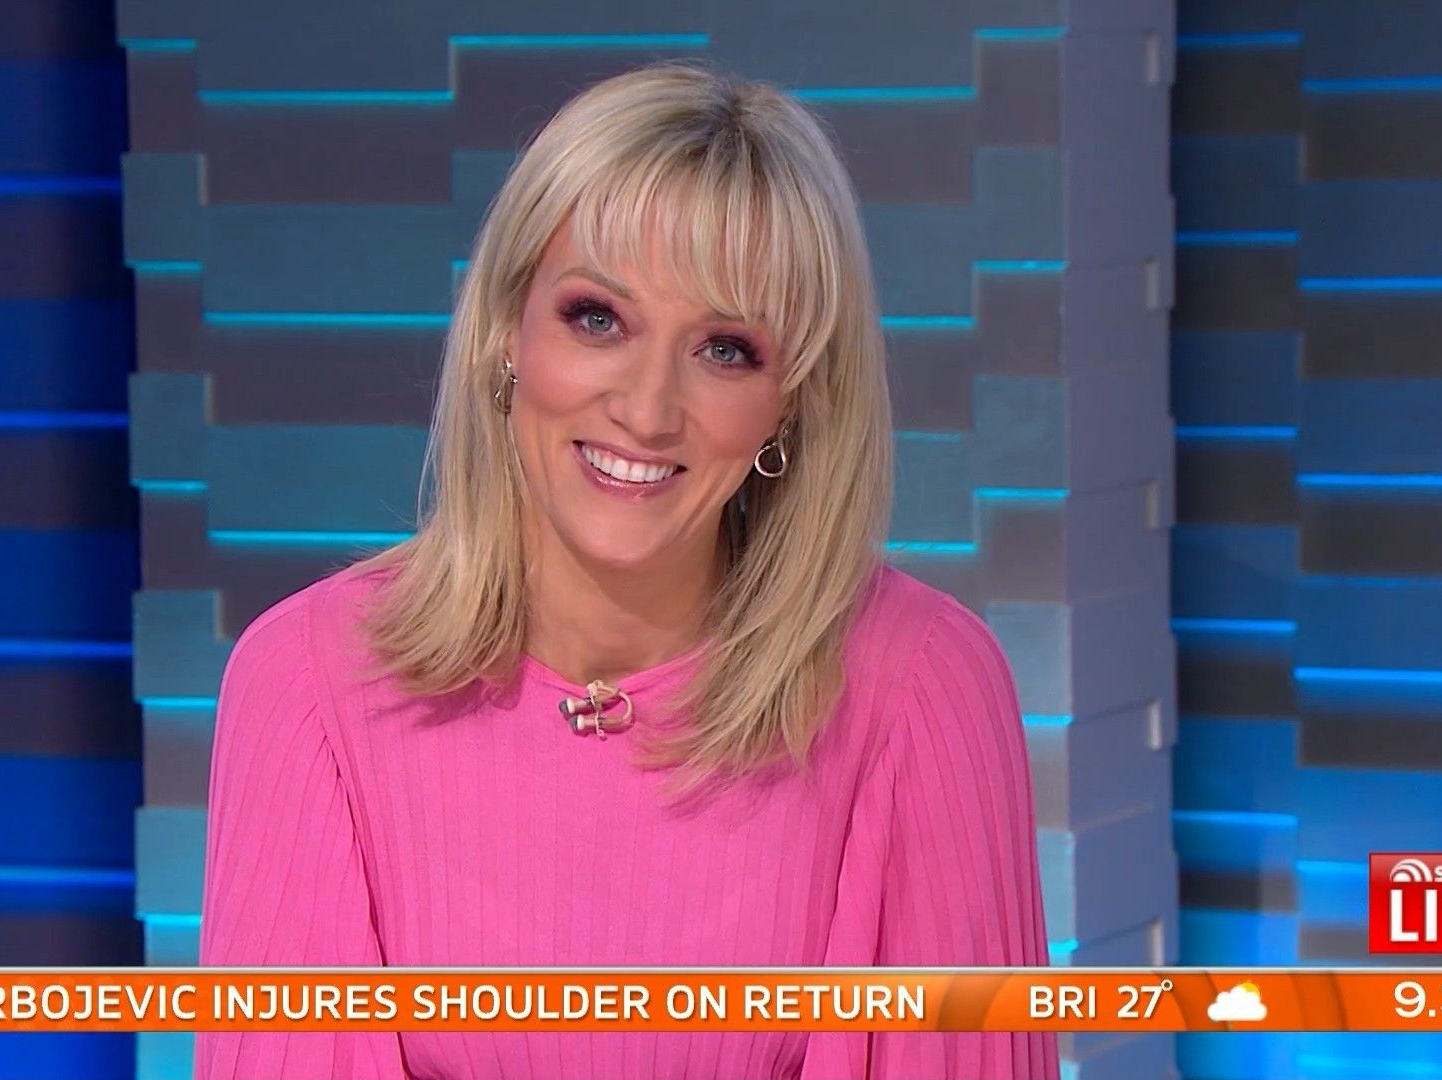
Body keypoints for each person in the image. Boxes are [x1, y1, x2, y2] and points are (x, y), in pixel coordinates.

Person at [193, 59, 1058, 1079]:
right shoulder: (308, 682)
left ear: (789, 403)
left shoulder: (923, 688)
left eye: (725, 349)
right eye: (598, 318)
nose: (647, 410)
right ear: (506, 332)